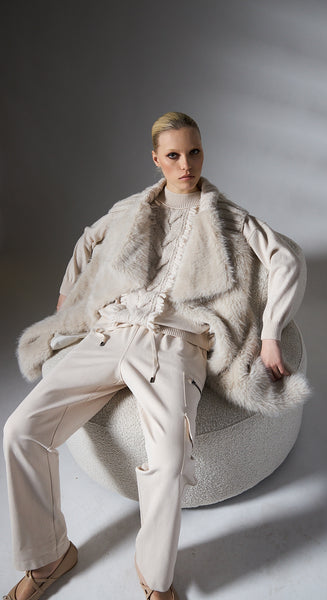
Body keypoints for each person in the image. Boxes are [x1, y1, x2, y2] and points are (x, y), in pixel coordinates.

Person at [3, 112, 309, 600]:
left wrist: (270, 334)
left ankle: (156, 582)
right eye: (173, 155)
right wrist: (69, 297)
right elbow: (88, 239)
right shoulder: (131, 209)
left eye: (194, 152)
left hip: (176, 344)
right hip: (112, 332)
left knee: (168, 462)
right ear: (156, 159)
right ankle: (49, 556)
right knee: (20, 431)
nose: (186, 165)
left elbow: (286, 259)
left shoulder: (230, 217)